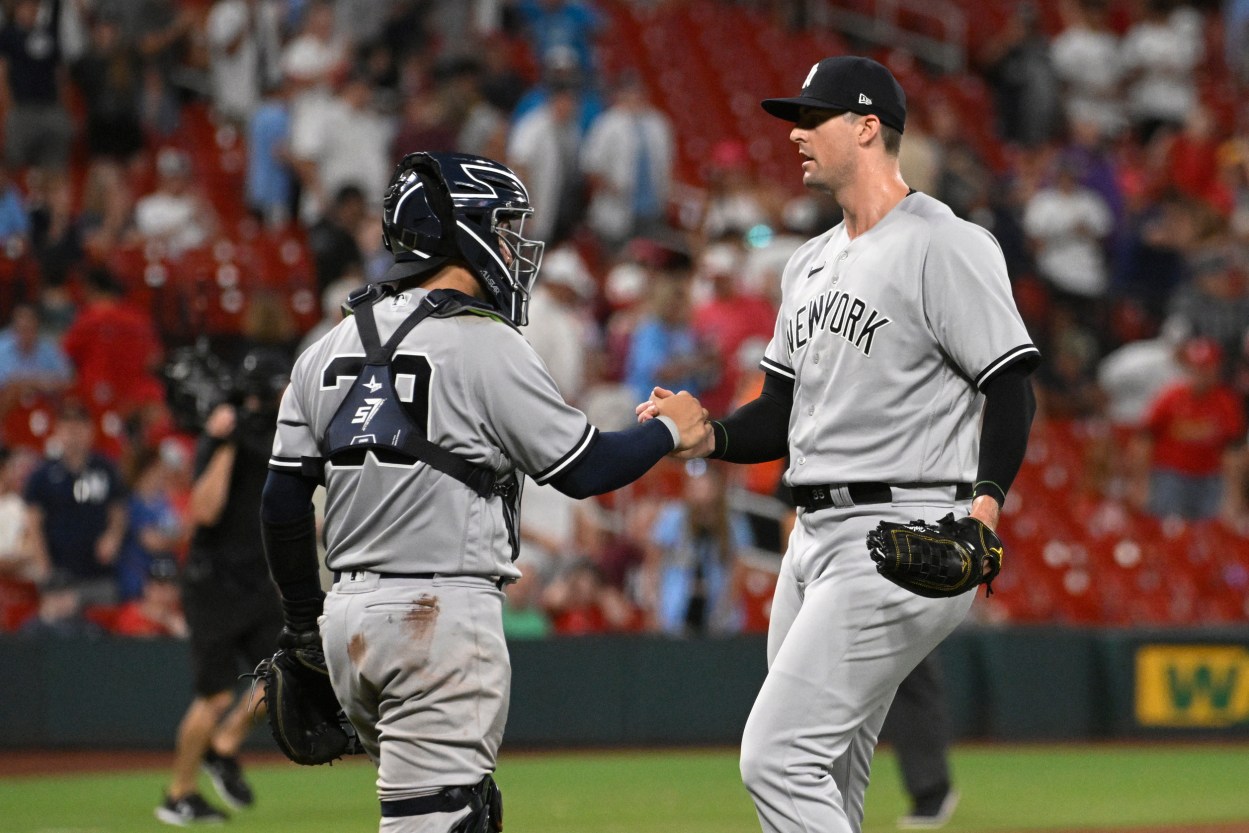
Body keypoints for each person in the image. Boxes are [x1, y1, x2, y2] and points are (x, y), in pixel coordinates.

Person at [639, 56, 1039, 833]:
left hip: (906, 528)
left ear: (865, 127)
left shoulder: (944, 244)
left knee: (776, 756)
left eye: (812, 117)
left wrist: (985, 508)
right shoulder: (808, 263)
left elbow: (1010, 384)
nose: (794, 133)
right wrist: (710, 434)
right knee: (822, 774)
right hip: (812, 537)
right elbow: (778, 413)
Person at [257, 151, 709, 833]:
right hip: (438, 616)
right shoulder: (479, 340)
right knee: (441, 822)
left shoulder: (328, 344)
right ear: (458, 230)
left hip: (345, 616)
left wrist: (299, 626)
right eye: (499, 227)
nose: (510, 245)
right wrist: (668, 432)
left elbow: (283, 501)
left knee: (457, 812)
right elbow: (582, 467)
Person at [156, 350, 291, 826]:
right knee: (213, 696)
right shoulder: (224, 438)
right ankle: (178, 794)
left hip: (255, 581)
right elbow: (205, 512)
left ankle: (226, 744)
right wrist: (227, 445)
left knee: (285, 673)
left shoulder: (270, 437)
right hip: (212, 584)